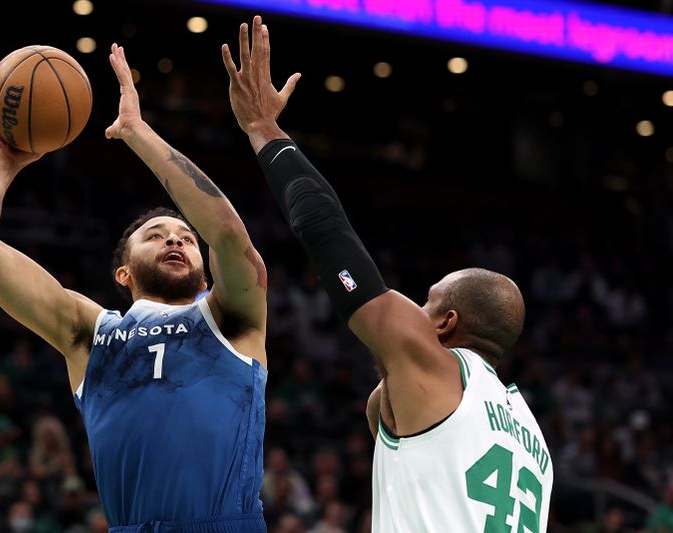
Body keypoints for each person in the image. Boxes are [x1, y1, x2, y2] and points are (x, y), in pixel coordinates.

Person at [222, 16, 553, 532]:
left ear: (444, 323)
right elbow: (385, 416)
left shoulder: (438, 370)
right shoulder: (535, 442)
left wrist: (263, 130)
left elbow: (323, 228)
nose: (413, 313)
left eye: (426, 302)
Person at [0, 43, 268, 532]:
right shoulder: (89, 333)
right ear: (123, 272)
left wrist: (137, 133)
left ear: (206, 275)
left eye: (185, 236)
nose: (174, 240)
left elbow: (225, 231)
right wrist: (4, 162)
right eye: (155, 235)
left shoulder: (233, 320)